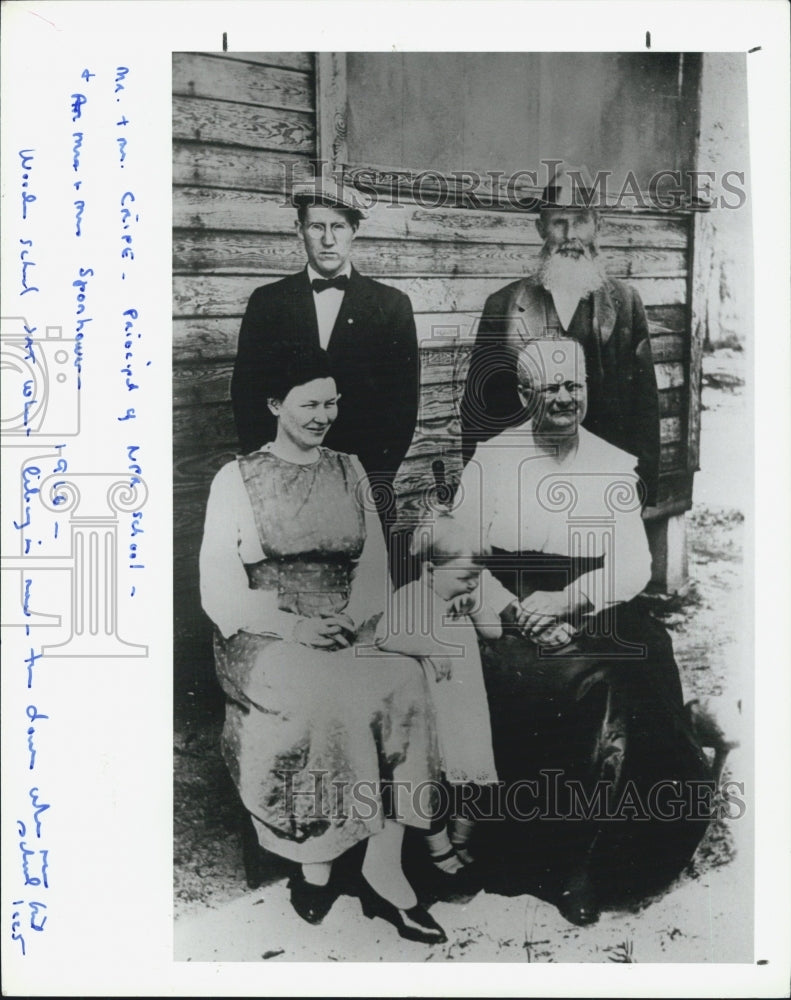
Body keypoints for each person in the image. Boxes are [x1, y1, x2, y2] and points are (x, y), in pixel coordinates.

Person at [457, 337, 714, 926]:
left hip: (589, 603)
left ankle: (607, 861)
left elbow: (630, 564)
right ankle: (557, 863)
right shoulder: (491, 463)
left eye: (576, 385)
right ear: (525, 396)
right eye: (552, 388)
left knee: (634, 668)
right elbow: (460, 559)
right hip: (510, 614)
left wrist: (570, 602)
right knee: (571, 687)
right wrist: (518, 612)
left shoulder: (610, 463)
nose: (568, 398)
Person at [200, 345, 446, 945]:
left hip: (342, 621)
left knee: (401, 679)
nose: (323, 415)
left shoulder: (350, 468)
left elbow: (372, 568)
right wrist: (294, 626)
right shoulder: (238, 478)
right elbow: (218, 586)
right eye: (309, 403)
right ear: (275, 405)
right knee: (326, 690)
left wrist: (353, 617)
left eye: (331, 402)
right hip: (263, 632)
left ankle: (383, 865)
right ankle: (318, 859)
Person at [459, 163, 661, 506]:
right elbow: (479, 410)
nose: (571, 235)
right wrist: (483, 494)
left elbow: (644, 408)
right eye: (559, 222)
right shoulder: (504, 306)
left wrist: (641, 494)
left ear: (597, 225)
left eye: (581, 220)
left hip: (604, 485)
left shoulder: (625, 303)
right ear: (541, 229)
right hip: (524, 489)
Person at [230, 177, 419, 531]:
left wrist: (369, 483)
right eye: (317, 226)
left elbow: (402, 408)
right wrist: (273, 474)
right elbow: (246, 397)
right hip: (283, 488)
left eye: (338, 226)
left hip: (363, 488)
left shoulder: (391, 306)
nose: (328, 239)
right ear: (298, 229)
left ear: (354, 231)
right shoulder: (268, 302)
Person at [375, 511, 501, 888]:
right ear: (430, 569)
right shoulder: (413, 597)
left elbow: (494, 632)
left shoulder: (467, 598)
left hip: (468, 711)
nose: (471, 584)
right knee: (434, 784)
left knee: (474, 778)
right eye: (465, 576)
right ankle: (438, 849)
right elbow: (385, 635)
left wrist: (476, 605)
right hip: (434, 714)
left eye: (476, 576)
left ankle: (461, 840)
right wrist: (428, 646)